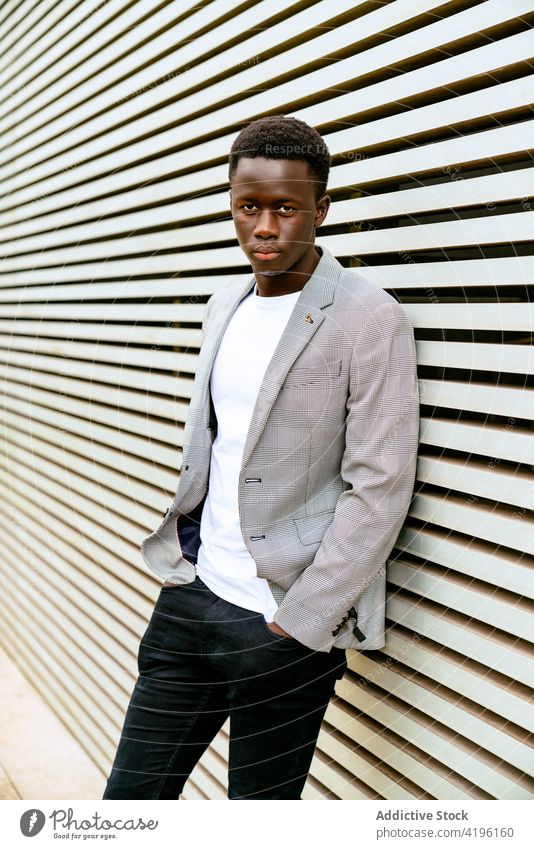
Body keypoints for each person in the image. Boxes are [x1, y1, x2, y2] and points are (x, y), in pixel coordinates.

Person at [102, 115, 420, 801]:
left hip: (282, 623)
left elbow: (380, 485)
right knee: (127, 806)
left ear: (321, 208)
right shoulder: (227, 301)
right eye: (249, 207)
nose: (266, 228)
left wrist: (301, 620)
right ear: (231, 205)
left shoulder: (368, 316)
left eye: (286, 208)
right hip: (192, 601)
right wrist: (183, 573)